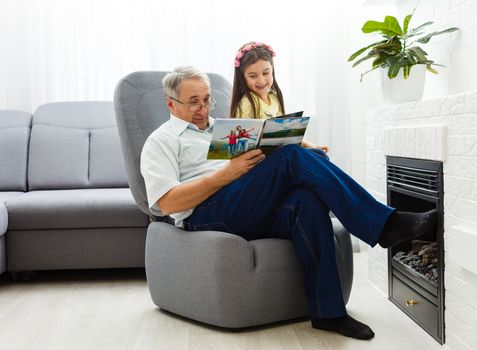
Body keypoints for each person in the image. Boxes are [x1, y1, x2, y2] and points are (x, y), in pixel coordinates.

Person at [140, 66, 437, 340]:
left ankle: (328, 313)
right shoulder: (161, 141)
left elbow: (267, 144)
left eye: (207, 100)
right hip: (206, 214)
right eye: (193, 102)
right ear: (170, 104)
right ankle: (383, 225)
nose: (203, 109)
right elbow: (166, 203)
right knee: (292, 159)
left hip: (247, 207)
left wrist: (305, 147)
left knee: (305, 199)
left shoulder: (225, 130)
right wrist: (226, 174)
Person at [230, 41, 329, 154]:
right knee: (302, 153)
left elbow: (285, 135)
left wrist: (309, 145)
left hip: (280, 154)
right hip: (262, 161)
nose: (261, 81)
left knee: (319, 154)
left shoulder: (275, 99)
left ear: (272, 70)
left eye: (266, 73)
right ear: (242, 78)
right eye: (253, 76)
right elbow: (246, 143)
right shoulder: (248, 103)